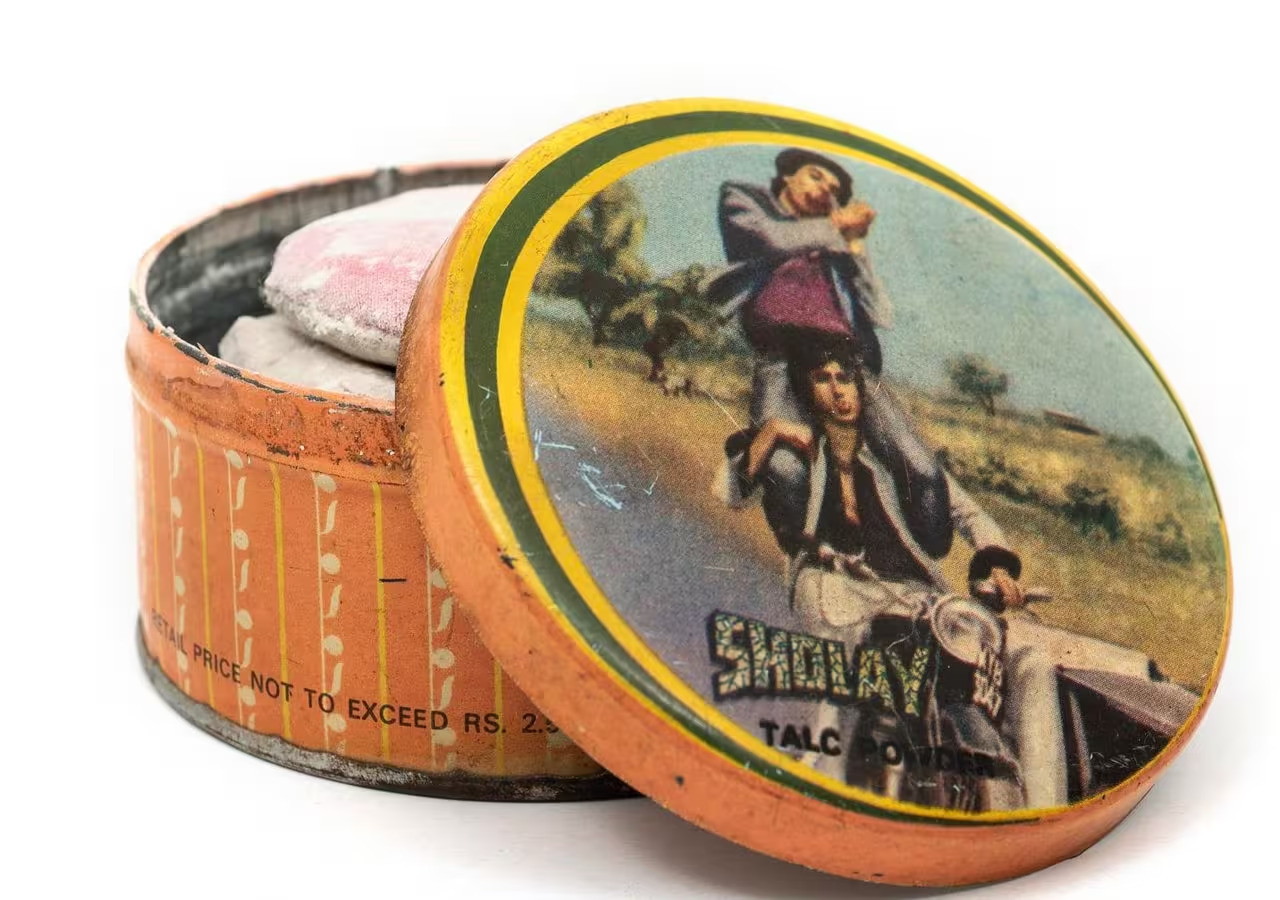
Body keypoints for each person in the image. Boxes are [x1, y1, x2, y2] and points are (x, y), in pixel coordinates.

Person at [722, 338, 1068, 810]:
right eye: (823, 379)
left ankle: (1040, 808)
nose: (838, 391)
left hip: (917, 597)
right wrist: (770, 433)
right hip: (837, 593)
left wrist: (997, 565)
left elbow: (968, 512)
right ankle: (817, 791)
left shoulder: (894, 461)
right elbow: (732, 494)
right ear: (806, 389)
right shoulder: (797, 458)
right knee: (840, 685)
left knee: (1029, 665)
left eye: (845, 378)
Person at [708, 149, 955, 564]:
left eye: (834, 189)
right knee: (784, 468)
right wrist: (837, 226)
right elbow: (770, 238)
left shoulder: (833, 245)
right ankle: (811, 557)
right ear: (787, 176)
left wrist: (856, 247)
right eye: (816, 176)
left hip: (845, 361)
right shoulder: (744, 199)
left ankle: (920, 561)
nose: (826, 190)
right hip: (781, 359)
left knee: (923, 471)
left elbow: (879, 312)